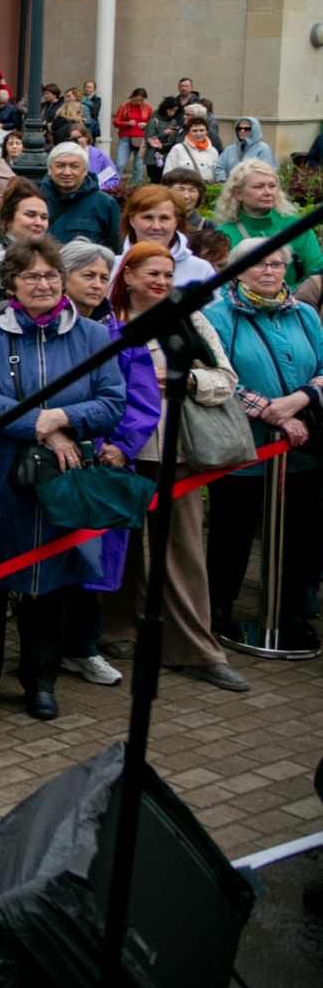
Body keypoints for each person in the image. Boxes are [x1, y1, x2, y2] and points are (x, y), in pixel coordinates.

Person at [0, 239, 128, 719]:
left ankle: (40, 679)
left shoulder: (94, 336)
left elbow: (112, 402)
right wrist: (39, 426)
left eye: (51, 275)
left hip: (65, 475)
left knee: (51, 579)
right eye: (31, 276)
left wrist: (59, 420)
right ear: (11, 284)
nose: (44, 284)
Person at [98, 244, 249, 689]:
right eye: (153, 273)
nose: (163, 282)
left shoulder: (190, 319)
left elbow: (227, 378)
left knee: (183, 552)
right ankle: (119, 628)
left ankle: (194, 649)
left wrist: (183, 380)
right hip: (123, 452)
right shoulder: (106, 324)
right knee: (120, 544)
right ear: (127, 275)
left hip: (178, 451)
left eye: (168, 274)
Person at [205, 246, 323, 652]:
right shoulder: (217, 315)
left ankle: (287, 610)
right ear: (237, 270)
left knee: (300, 533)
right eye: (259, 263)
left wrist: (303, 397)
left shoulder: (305, 314)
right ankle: (217, 609)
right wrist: (273, 413)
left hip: (303, 447)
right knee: (231, 532)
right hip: (242, 448)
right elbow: (216, 378)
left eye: (277, 263)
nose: (269, 271)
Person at [214, 159, 323, 287]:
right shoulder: (224, 234)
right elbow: (221, 284)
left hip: (294, 303)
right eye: (259, 187)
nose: (268, 192)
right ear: (238, 194)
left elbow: (316, 274)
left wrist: (283, 298)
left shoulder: (295, 226)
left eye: (272, 186)